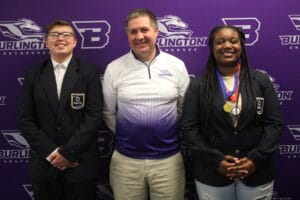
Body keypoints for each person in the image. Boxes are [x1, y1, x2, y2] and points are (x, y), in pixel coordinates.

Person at [181, 25, 283, 200]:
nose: (227, 45)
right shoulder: (199, 85)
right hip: (211, 173)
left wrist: (255, 159)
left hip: (257, 172)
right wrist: (217, 161)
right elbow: (189, 128)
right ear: (212, 48)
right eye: (220, 42)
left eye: (233, 41)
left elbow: (274, 124)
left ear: (241, 46)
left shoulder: (260, 80)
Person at [102, 8, 190, 200]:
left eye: (144, 30)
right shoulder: (114, 68)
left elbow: (184, 110)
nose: (139, 36)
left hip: (168, 161)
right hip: (126, 161)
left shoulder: (176, 65)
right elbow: (108, 112)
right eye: (133, 32)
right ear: (127, 35)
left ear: (156, 32)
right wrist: (131, 134)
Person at [17, 19, 102, 200]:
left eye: (66, 34)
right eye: (54, 35)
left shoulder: (89, 72)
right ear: (46, 41)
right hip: (45, 167)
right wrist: (53, 153)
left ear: (75, 41)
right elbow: (25, 119)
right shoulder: (33, 74)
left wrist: (68, 153)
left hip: (81, 166)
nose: (60, 39)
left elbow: (94, 117)